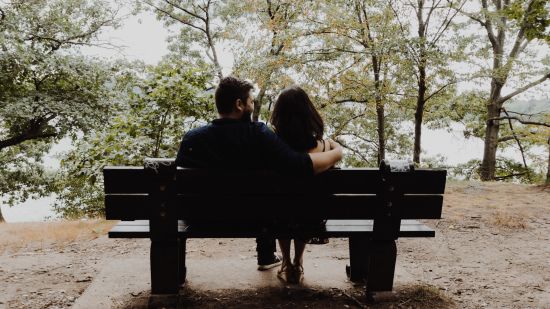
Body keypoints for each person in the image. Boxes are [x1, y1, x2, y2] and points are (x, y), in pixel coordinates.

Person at [175, 76, 343, 271]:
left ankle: (175, 272)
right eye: (251, 101)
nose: (253, 105)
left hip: (199, 219)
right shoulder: (258, 135)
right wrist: (336, 153)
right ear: (239, 105)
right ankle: (270, 256)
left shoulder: (192, 139)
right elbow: (300, 165)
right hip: (253, 221)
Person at [270, 86, 333, 283]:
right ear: (309, 113)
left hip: (277, 214)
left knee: (281, 209)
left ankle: (286, 262)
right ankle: (298, 262)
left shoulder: (272, 147)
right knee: (305, 207)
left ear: (279, 115)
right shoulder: (323, 147)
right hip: (311, 216)